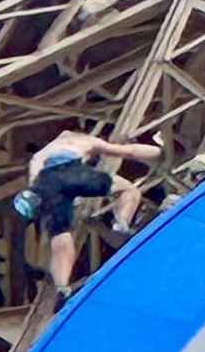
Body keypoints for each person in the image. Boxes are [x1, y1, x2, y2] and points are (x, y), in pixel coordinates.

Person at [12, 130, 162, 304]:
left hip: (47, 182)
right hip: (73, 170)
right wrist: (159, 153)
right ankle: (120, 225)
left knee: (60, 239)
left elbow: (34, 181)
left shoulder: (42, 152)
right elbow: (128, 152)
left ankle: (62, 287)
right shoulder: (83, 141)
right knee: (127, 190)